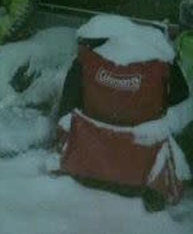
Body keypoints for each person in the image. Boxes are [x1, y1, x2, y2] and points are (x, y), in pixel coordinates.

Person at [55, 15, 192, 211]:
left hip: (87, 162)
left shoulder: (85, 62)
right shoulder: (162, 63)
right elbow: (181, 98)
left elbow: (66, 109)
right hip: (142, 165)